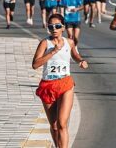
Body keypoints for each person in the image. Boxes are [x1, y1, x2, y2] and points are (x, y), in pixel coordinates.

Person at [32, 13, 88, 148]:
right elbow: (35, 64)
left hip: (65, 83)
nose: (54, 29)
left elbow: (75, 55)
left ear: (63, 27)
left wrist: (81, 61)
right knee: (55, 126)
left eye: (57, 26)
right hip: (48, 85)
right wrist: (52, 52)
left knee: (62, 123)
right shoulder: (45, 43)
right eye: (51, 27)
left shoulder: (69, 42)